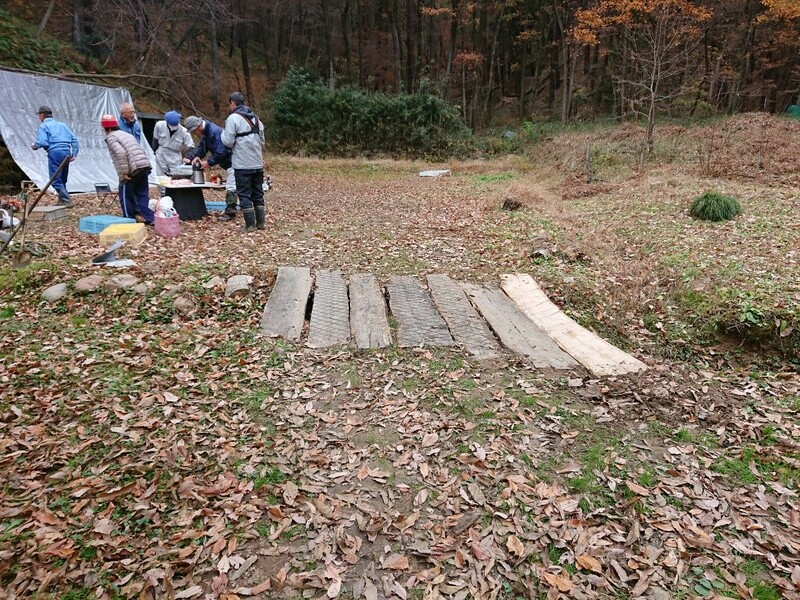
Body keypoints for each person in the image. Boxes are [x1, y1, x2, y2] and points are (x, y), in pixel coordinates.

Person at [221, 92, 265, 232]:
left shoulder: (233, 118)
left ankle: (250, 225)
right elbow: (262, 141)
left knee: (244, 193)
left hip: (242, 163)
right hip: (257, 162)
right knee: (258, 193)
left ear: (232, 103)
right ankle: (261, 223)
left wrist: (222, 135)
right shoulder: (256, 118)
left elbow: (228, 141)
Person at [100, 114, 155, 225]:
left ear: (107, 129)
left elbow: (121, 153)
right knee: (142, 194)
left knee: (125, 195)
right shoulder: (126, 134)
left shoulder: (111, 137)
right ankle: (150, 218)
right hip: (144, 165)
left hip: (132, 169)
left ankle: (128, 219)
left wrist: (125, 173)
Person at [182, 115, 238, 221]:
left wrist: (209, 162)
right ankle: (243, 207)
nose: (195, 134)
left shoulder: (214, 131)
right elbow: (202, 148)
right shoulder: (206, 132)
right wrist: (196, 156)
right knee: (237, 185)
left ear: (198, 127)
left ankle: (230, 212)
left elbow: (221, 151)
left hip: (233, 161)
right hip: (229, 163)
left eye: (194, 131)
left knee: (231, 187)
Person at [31, 105, 79, 208]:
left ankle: (67, 200)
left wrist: (35, 145)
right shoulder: (63, 125)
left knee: (55, 179)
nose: (39, 117)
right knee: (62, 178)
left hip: (55, 152)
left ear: (42, 115)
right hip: (66, 152)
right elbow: (74, 139)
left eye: (39, 115)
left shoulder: (43, 126)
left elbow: (43, 142)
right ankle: (62, 201)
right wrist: (74, 153)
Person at [152, 109, 193, 177]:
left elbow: (191, 146)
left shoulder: (184, 132)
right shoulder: (159, 125)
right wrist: (154, 151)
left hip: (175, 157)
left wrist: (188, 157)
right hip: (161, 154)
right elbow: (155, 139)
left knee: (176, 178)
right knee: (161, 178)